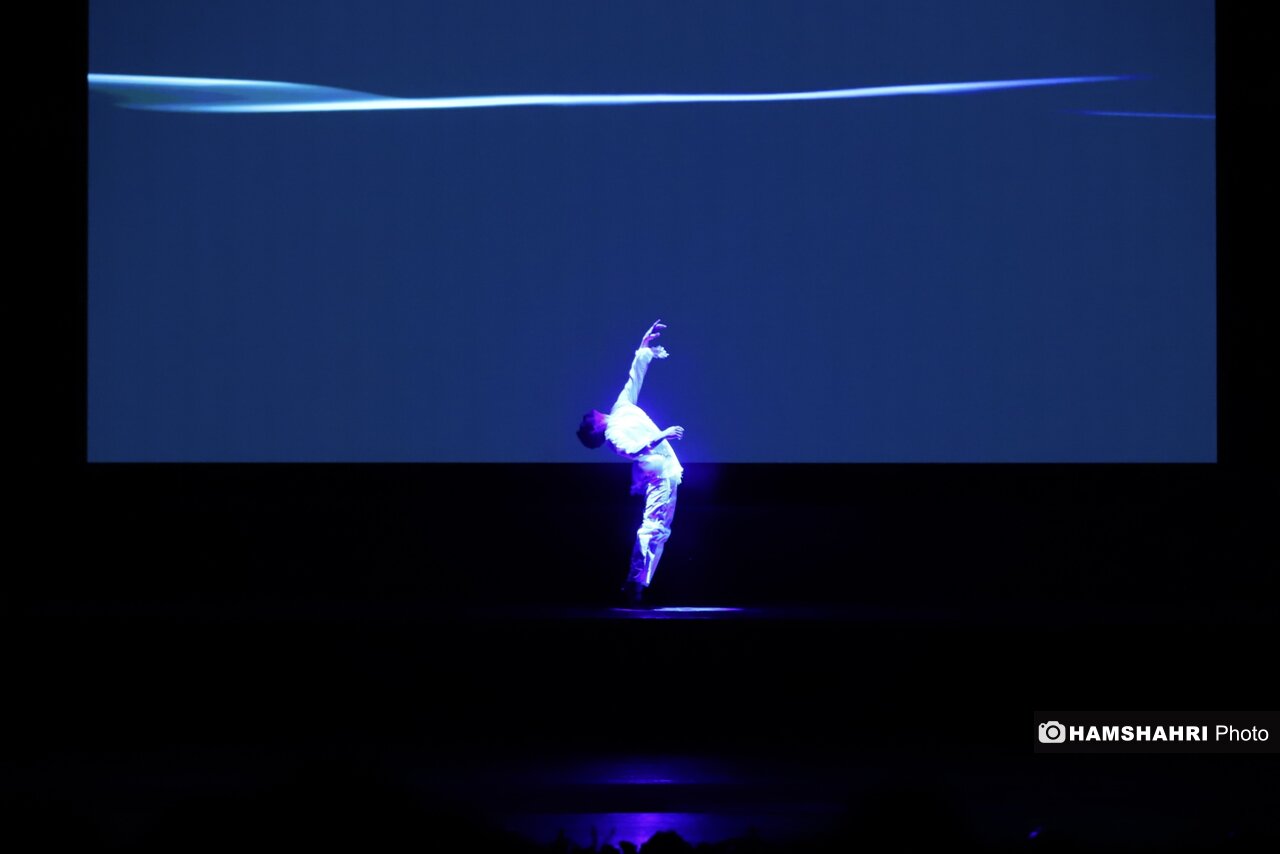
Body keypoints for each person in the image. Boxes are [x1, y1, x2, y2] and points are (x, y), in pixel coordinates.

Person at [577, 320, 685, 605]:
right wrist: (663, 434)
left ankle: (635, 582)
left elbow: (633, 378)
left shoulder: (619, 408)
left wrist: (644, 345)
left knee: (658, 529)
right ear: (594, 428)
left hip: (663, 467)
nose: (590, 413)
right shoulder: (612, 436)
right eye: (588, 420)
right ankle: (635, 583)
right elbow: (634, 449)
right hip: (659, 472)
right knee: (653, 528)